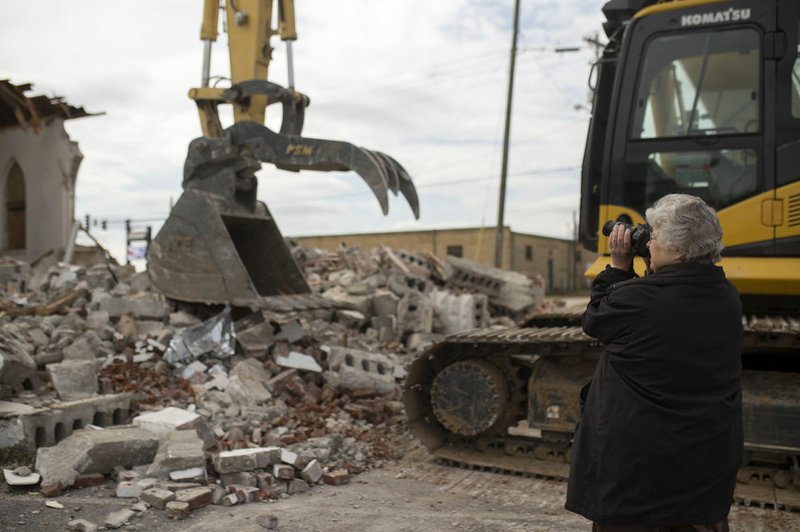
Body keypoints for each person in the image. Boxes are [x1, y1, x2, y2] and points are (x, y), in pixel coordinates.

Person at [565, 194, 743, 532]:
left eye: (655, 235)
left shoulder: (639, 300)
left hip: (638, 484)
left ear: (677, 250)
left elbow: (597, 319)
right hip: (701, 475)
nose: (650, 241)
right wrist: (653, 268)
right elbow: (669, 298)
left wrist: (618, 266)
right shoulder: (727, 296)